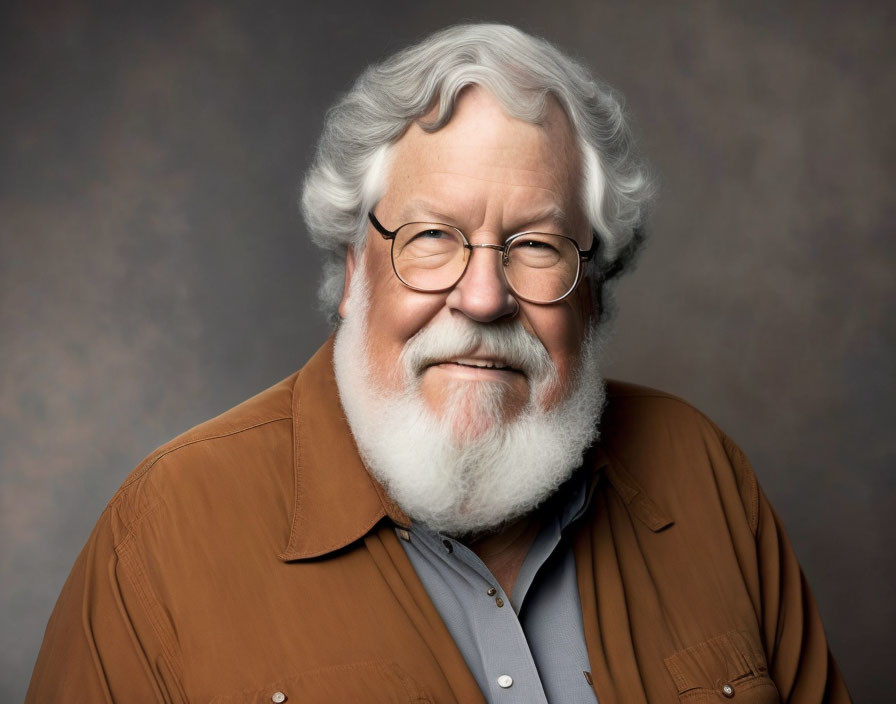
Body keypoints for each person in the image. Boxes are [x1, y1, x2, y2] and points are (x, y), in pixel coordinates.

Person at [27, 24, 850, 703]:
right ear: (355, 269)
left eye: (536, 244)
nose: (484, 298)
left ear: (591, 289)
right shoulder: (167, 531)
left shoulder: (703, 476)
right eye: (432, 238)